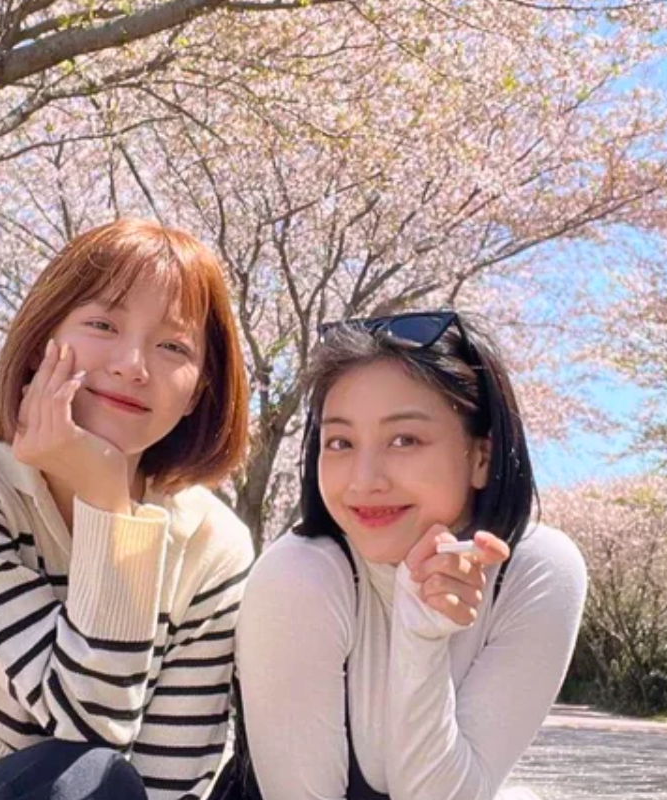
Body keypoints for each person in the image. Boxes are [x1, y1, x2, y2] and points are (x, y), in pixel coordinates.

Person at [0, 218, 253, 800]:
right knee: (88, 780)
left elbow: (171, 780)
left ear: (199, 388)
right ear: (44, 337)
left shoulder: (213, 543)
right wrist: (107, 505)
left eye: (172, 346)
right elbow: (87, 725)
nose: (132, 364)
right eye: (102, 324)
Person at [232, 311, 587, 800]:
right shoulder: (299, 575)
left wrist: (420, 638)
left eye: (405, 440)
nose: (364, 479)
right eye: (340, 442)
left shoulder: (535, 571)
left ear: (481, 457)